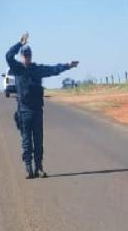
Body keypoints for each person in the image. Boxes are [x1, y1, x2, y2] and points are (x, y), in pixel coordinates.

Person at [6, 32, 78, 179]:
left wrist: (68, 66)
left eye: (28, 55)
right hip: (24, 112)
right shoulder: (17, 69)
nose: (27, 57)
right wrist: (20, 43)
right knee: (27, 142)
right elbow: (8, 55)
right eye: (25, 55)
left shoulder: (37, 69)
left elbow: (53, 69)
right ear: (21, 56)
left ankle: (39, 167)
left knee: (38, 142)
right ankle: (29, 169)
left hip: (37, 111)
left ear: (31, 56)